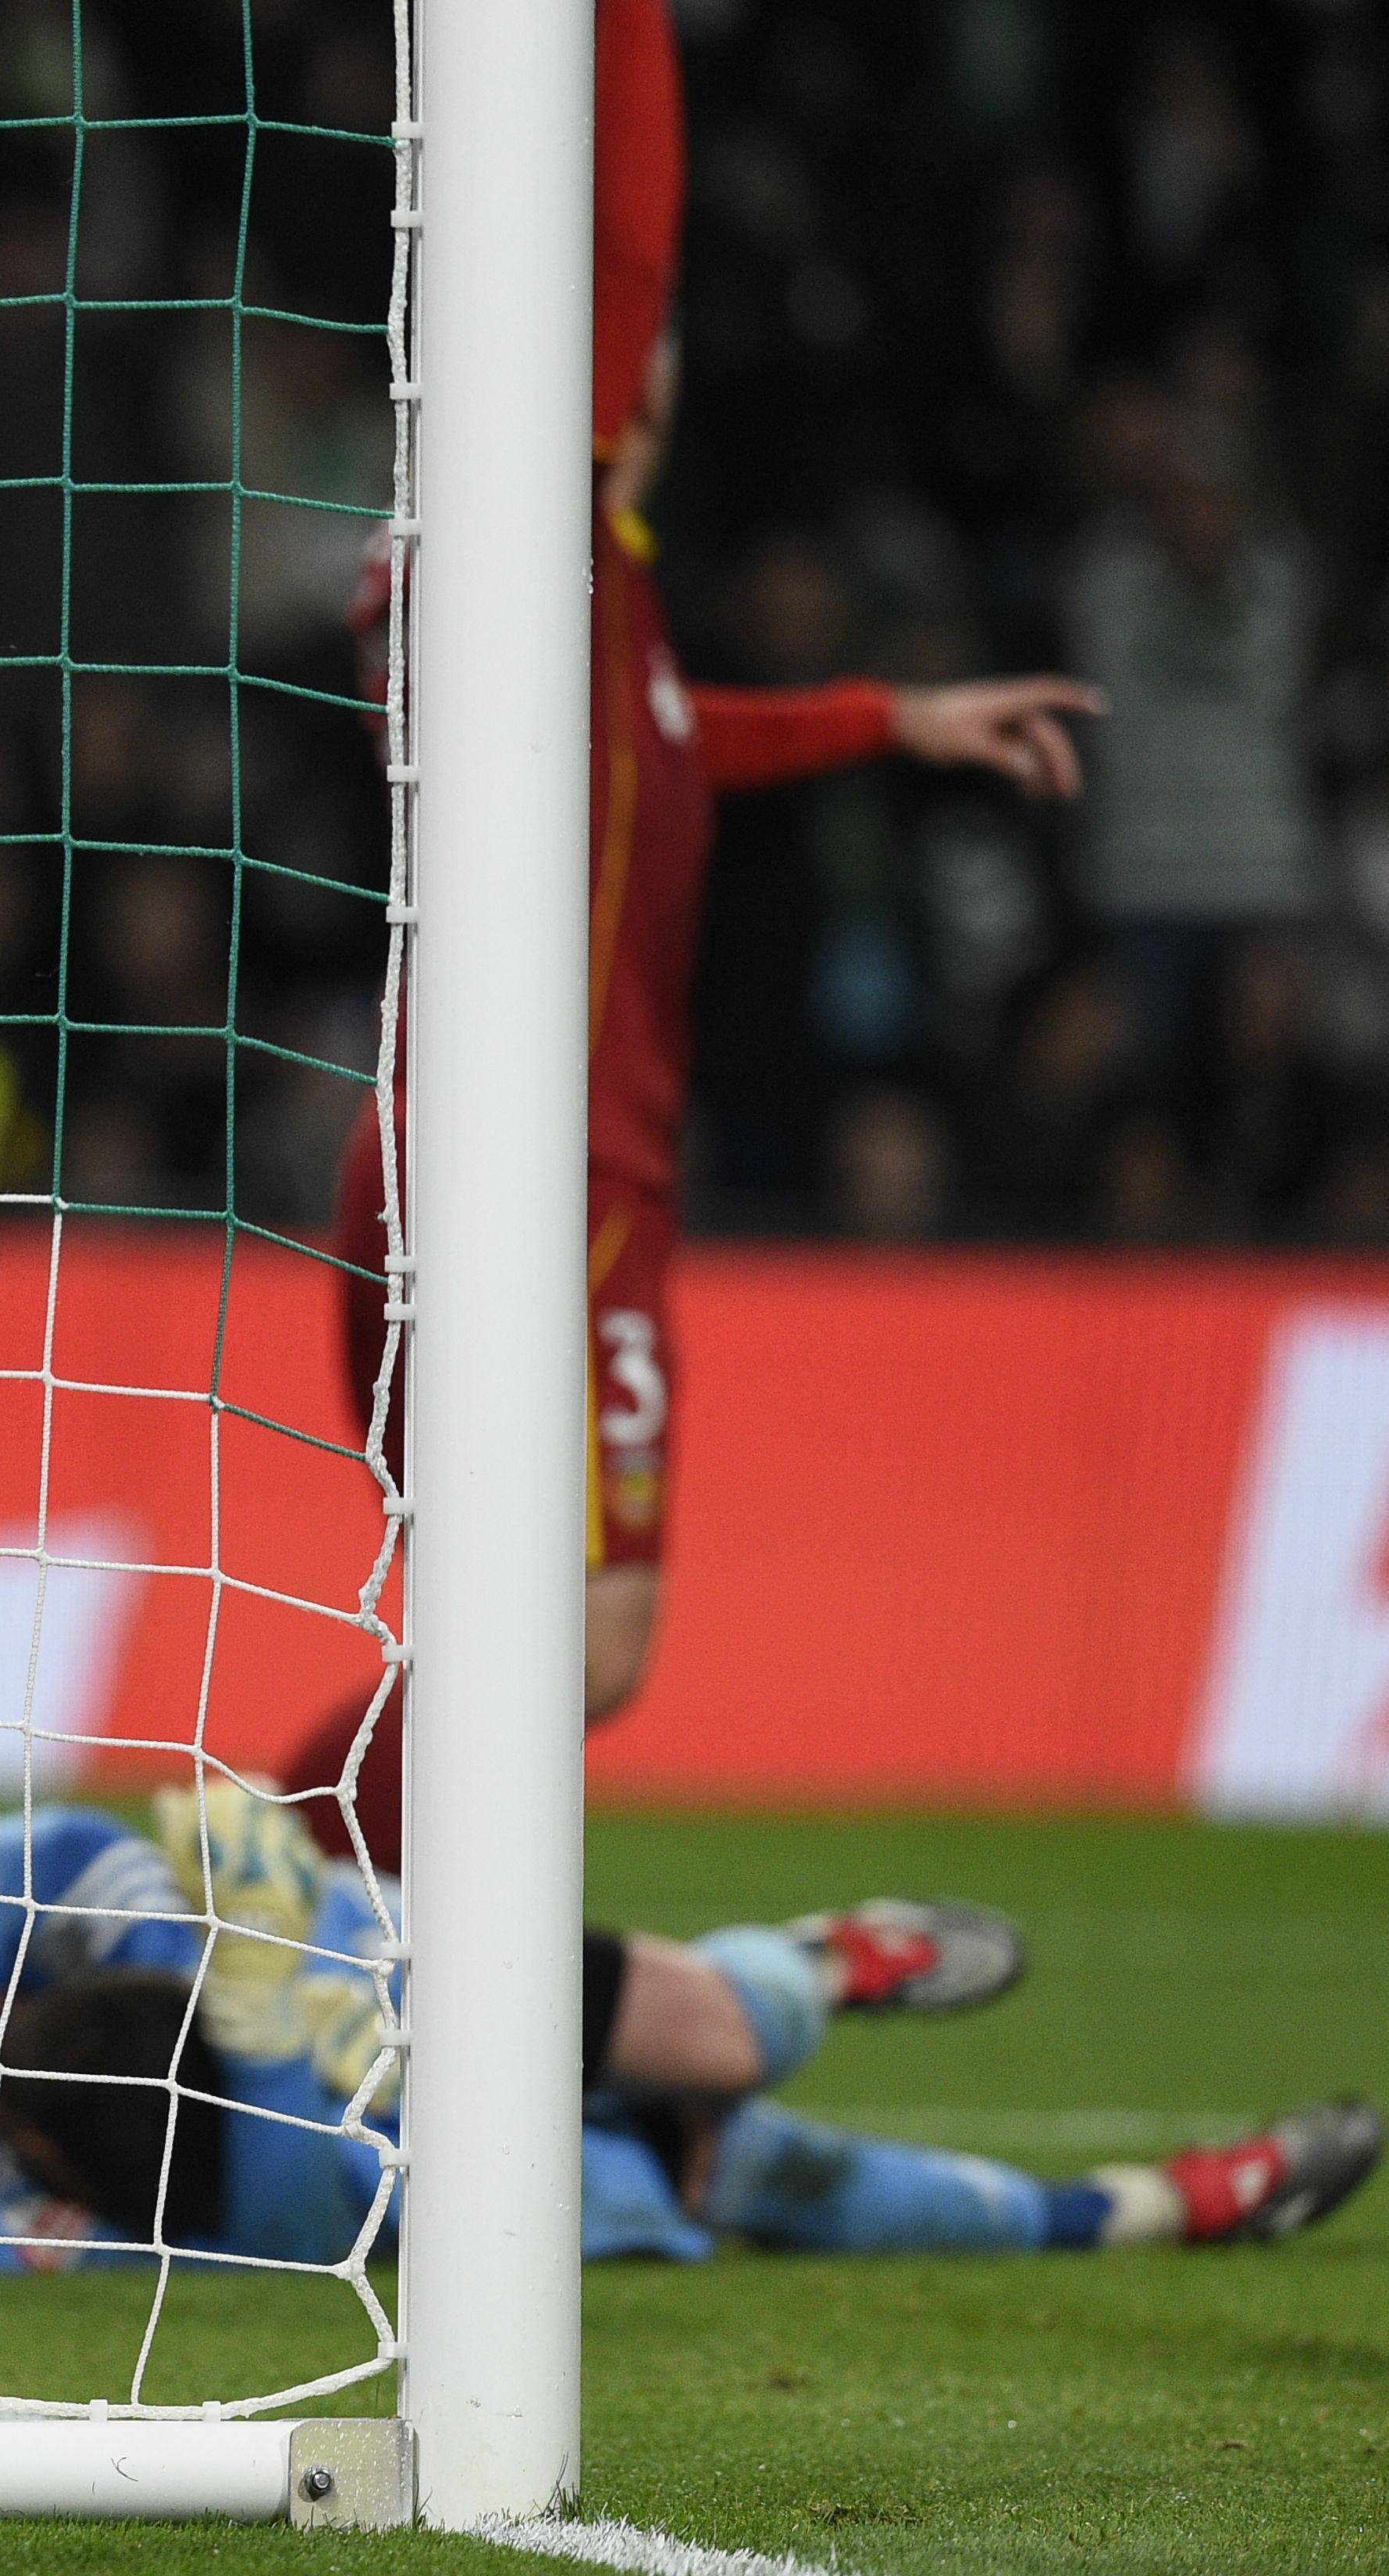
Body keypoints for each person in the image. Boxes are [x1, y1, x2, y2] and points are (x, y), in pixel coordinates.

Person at [291, 0, 1105, 1858]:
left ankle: (265, 1913)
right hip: (531, 1170)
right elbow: (627, 252)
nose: (642, 378)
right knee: (569, 1643)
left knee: (531, 1642)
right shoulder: (527, 548)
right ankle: (261, 1889)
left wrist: (885, 718)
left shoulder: (588, 621)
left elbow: (678, 745)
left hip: (517, 1158)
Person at [0, 1795, 1387, 2272]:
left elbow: (222, 1850)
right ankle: (1157, 2201)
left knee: (719, 2041)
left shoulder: (35, 1877)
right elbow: (82, 2258)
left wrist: (313, 1949)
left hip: (407, 1973)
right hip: (324, 2124)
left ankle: (820, 1965)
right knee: (754, 2170)